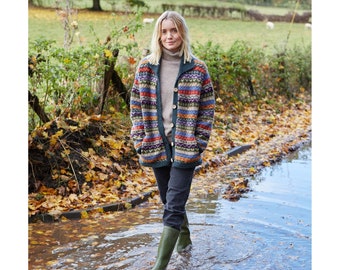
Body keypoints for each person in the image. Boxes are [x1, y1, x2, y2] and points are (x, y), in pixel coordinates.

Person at [130, 10, 215, 269]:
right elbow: (135, 106)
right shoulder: (146, 67)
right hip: (156, 145)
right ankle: (185, 242)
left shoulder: (197, 69)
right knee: (170, 201)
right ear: (158, 34)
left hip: (186, 149)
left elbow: (207, 109)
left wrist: (198, 142)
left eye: (174, 30)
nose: (169, 36)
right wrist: (140, 139)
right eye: (164, 31)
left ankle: (159, 266)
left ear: (182, 33)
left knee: (174, 204)